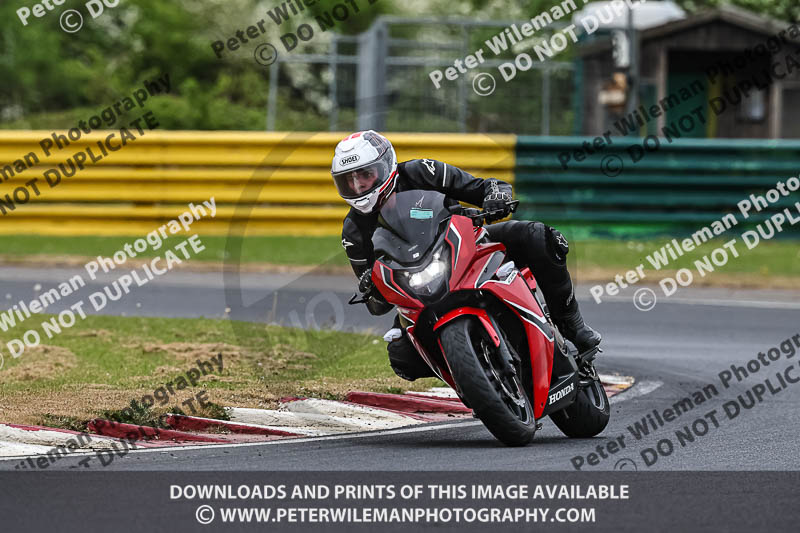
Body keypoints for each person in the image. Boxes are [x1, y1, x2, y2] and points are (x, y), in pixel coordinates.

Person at [331, 130, 601, 381]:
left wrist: (496, 196)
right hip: (416, 287)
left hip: (466, 245)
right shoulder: (353, 231)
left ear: (385, 166)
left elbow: (485, 187)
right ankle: (473, 380)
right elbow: (376, 304)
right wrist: (371, 287)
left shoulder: (421, 171)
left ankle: (571, 324)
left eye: (365, 175)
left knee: (538, 236)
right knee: (402, 358)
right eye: (348, 180)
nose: (358, 186)